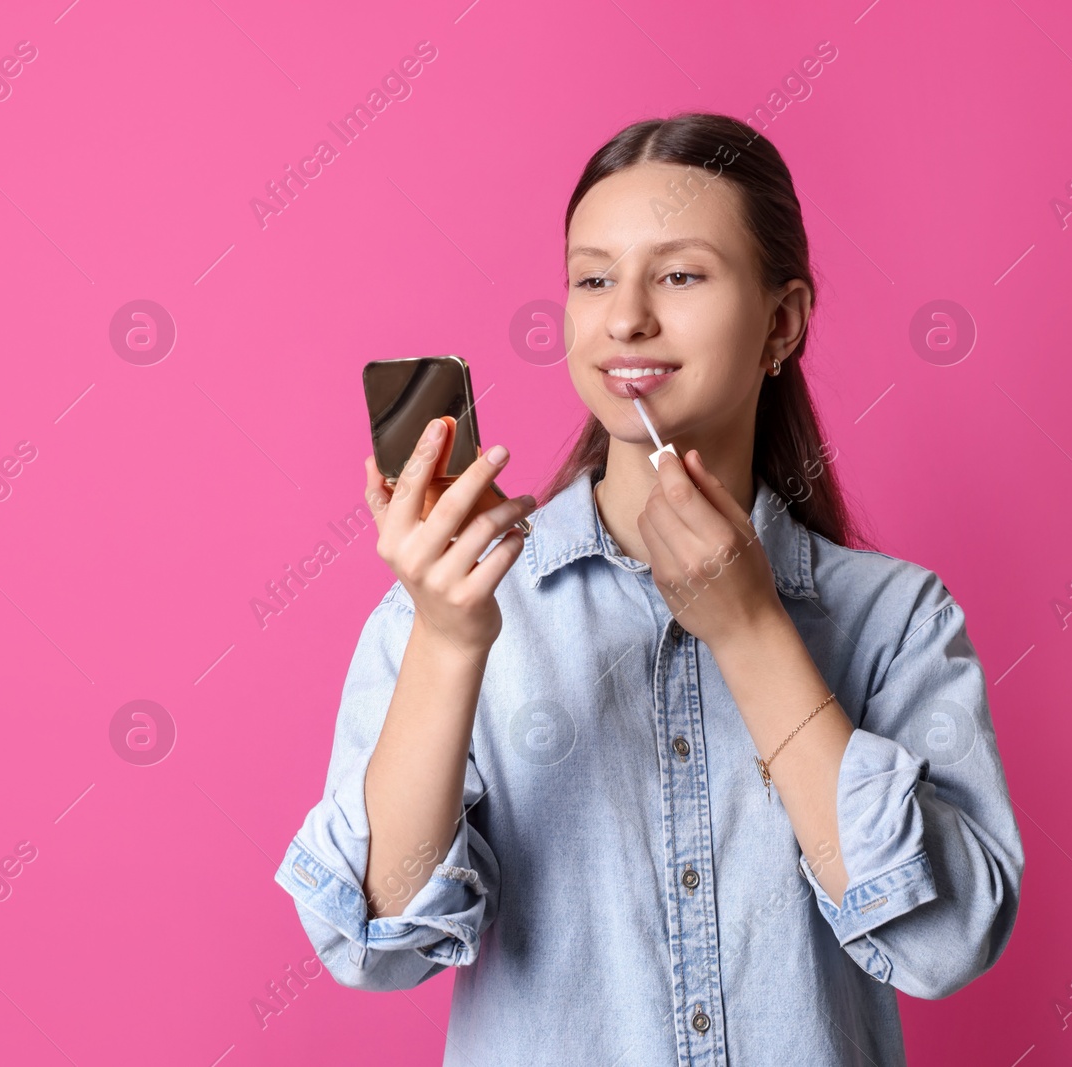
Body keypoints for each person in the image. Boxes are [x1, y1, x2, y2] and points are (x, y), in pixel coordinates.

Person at [273, 112, 1024, 1066]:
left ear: (782, 322)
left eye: (679, 274)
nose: (624, 316)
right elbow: (373, 943)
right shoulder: (448, 601)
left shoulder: (897, 619)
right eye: (593, 278)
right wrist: (449, 642)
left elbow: (945, 942)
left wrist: (751, 628)